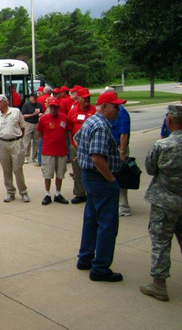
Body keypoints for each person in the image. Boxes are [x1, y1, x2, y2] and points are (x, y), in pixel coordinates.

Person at [74, 91, 126, 282]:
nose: (118, 110)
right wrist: (111, 180)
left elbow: (78, 139)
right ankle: (101, 267)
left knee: (91, 219)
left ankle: (85, 258)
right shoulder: (101, 126)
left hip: (90, 178)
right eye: (115, 106)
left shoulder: (90, 121)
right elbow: (97, 158)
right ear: (104, 106)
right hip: (100, 179)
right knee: (107, 224)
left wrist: (82, 156)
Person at [140, 104, 182, 302]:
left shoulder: (162, 145)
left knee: (161, 242)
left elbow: (150, 168)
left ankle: (159, 285)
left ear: (169, 121)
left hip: (164, 201)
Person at [0, 94, 30, 203]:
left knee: (17, 169)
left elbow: (22, 127)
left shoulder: (16, 112)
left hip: (16, 142)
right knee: (6, 169)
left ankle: (23, 192)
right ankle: (10, 192)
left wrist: (18, 139)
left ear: (6, 102)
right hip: (2, 144)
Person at [37, 99, 69, 205]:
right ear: (49, 107)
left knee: (60, 174)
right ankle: (47, 194)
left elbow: (66, 132)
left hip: (61, 150)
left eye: (55, 107)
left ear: (58, 108)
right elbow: (40, 133)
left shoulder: (64, 117)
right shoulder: (43, 119)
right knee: (48, 174)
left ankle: (58, 194)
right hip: (48, 151)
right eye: (51, 107)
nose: (53, 109)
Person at [67, 88, 96, 204]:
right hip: (75, 146)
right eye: (85, 98)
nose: (88, 100)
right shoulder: (73, 111)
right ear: (79, 99)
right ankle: (80, 193)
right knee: (77, 170)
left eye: (89, 97)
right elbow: (69, 128)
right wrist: (71, 143)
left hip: (89, 147)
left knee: (90, 169)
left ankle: (91, 193)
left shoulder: (94, 110)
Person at [108, 93, 132, 216]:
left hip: (119, 148)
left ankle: (123, 207)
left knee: (120, 177)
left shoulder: (121, 113)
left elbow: (124, 134)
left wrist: (122, 152)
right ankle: (115, 204)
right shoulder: (115, 112)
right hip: (113, 147)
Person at [21, 94, 41, 164]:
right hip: (28, 123)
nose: (35, 99)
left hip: (36, 123)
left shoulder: (39, 105)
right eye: (33, 98)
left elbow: (42, 112)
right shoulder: (26, 105)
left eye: (36, 98)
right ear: (30, 98)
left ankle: (34, 157)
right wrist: (32, 114)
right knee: (27, 141)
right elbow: (23, 115)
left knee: (36, 141)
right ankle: (26, 156)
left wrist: (40, 114)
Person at [36, 86, 53, 167]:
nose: (45, 103)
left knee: (41, 145)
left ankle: (40, 161)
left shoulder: (40, 99)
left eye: (46, 102)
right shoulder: (48, 108)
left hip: (45, 132)